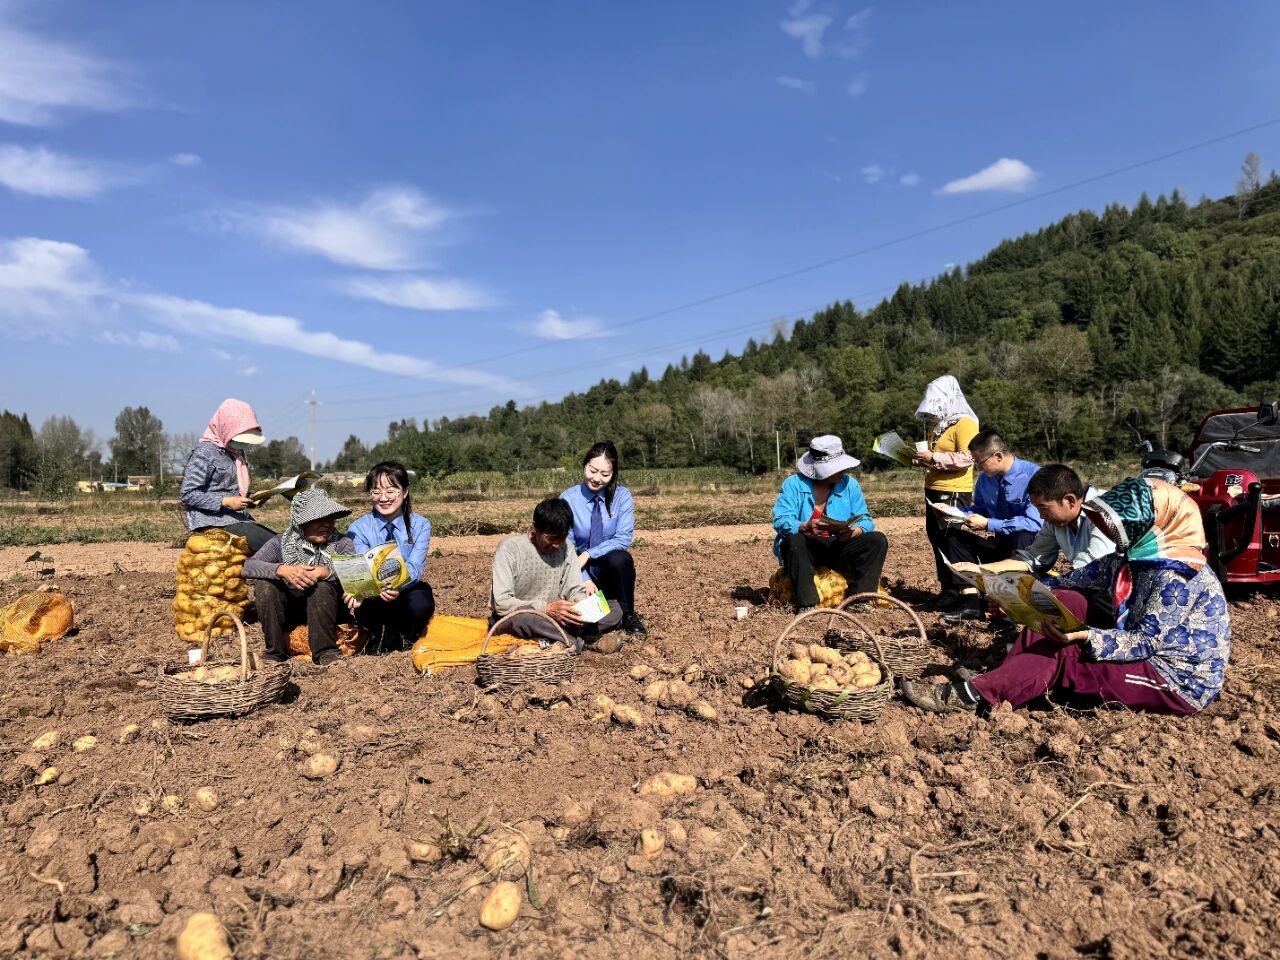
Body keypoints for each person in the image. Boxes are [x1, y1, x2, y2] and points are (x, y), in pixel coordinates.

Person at [902, 477, 1228, 716]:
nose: (1114, 531)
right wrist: (1013, 599)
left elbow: (1146, 642)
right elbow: (1070, 581)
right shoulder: (1134, 558)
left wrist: (1085, 636)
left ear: (1157, 524)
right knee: (1063, 599)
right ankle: (1006, 679)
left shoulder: (1175, 574)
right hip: (1138, 648)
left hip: (1173, 679)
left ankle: (975, 695)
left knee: (1064, 653)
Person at [772, 435, 889, 613]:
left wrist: (855, 531)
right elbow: (781, 520)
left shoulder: (850, 485)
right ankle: (807, 604)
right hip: (806, 551)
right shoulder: (794, 485)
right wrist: (805, 526)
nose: (843, 471)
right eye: (837, 468)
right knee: (793, 540)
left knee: (877, 540)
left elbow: (865, 519)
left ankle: (859, 600)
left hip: (838, 547)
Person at [491, 497, 623, 653]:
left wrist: (579, 608)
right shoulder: (509, 549)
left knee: (614, 608)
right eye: (551, 538)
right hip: (522, 616)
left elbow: (574, 589)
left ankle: (564, 637)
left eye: (562, 537)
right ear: (535, 528)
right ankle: (580, 641)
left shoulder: (568, 548)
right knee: (527, 621)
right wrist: (546, 609)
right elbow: (502, 603)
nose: (557, 544)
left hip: (560, 618)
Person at [243, 489, 355, 666]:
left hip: (331, 613)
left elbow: (354, 572)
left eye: (330, 519)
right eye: (319, 519)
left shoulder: (342, 543)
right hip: (292, 613)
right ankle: (275, 652)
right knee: (264, 585)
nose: (327, 524)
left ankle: (326, 651)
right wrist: (282, 569)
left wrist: (326, 572)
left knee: (322, 586)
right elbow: (248, 566)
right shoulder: (280, 543)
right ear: (301, 522)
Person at [940, 430, 1043, 622]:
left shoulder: (1035, 476)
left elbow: (1033, 522)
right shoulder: (985, 480)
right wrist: (957, 513)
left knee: (1023, 535)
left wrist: (988, 524)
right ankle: (971, 603)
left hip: (1028, 553)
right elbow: (981, 509)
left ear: (998, 456)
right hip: (1000, 544)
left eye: (979, 462)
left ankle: (1013, 607)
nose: (977, 468)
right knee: (954, 536)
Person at [345, 461, 436, 654]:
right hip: (373, 593)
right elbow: (361, 566)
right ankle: (375, 635)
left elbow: (415, 567)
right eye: (376, 492)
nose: (383, 498)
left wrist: (396, 585)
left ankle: (408, 635)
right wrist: (363, 590)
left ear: (404, 492)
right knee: (368, 605)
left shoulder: (420, 525)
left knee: (421, 601)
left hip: (406, 588)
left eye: (391, 491)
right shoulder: (358, 528)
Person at [561, 441, 646, 637]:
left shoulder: (622, 497)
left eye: (605, 474)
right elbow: (566, 545)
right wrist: (583, 578)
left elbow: (623, 538)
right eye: (592, 471)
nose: (597, 478)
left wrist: (589, 554)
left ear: (613, 474)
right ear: (585, 465)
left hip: (606, 565)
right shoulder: (568, 499)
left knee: (621, 559)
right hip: (576, 567)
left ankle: (628, 614)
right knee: (581, 615)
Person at [911, 376, 981, 611]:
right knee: (937, 537)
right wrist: (923, 459)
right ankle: (948, 590)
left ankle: (966, 593)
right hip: (933, 487)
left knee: (953, 539)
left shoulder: (965, 424)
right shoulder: (940, 426)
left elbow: (968, 457)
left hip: (954, 490)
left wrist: (934, 457)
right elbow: (937, 457)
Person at [1014, 464, 1116, 624]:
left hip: (1116, 596)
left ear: (1070, 500)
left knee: (1087, 594)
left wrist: (1027, 597)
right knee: (1023, 580)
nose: (1041, 516)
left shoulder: (1104, 511)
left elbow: (1092, 571)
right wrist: (985, 572)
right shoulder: (1056, 520)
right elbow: (1034, 556)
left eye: (1043, 508)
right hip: (1086, 583)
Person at [180, 398, 276, 553]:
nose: (243, 445)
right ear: (226, 429)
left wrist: (253, 499)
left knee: (279, 542)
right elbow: (188, 493)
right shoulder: (204, 453)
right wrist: (225, 501)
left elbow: (230, 491)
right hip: (212, 522)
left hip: (237, 519)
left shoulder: (235, 453)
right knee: (274, 546)